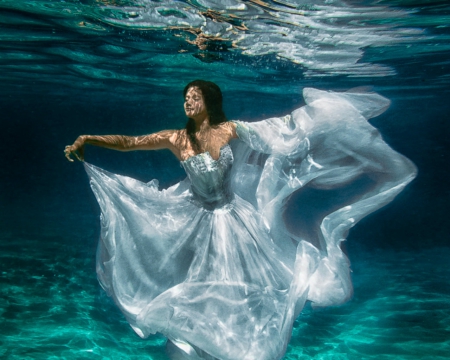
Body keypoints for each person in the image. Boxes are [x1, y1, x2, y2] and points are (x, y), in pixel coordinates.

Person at [65, 80, 416, 360]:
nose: (187, 102)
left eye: (194, 97)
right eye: (185, 97)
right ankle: (196, 342)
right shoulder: (176, 138)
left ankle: (227, 338)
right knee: (198, 278)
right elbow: (131, 142)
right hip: (198, 218)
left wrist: (312, 128)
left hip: (235, 220)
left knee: (243, 282)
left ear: (209, 102)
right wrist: (89, 139)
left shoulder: (230, 130)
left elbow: (278, 135)